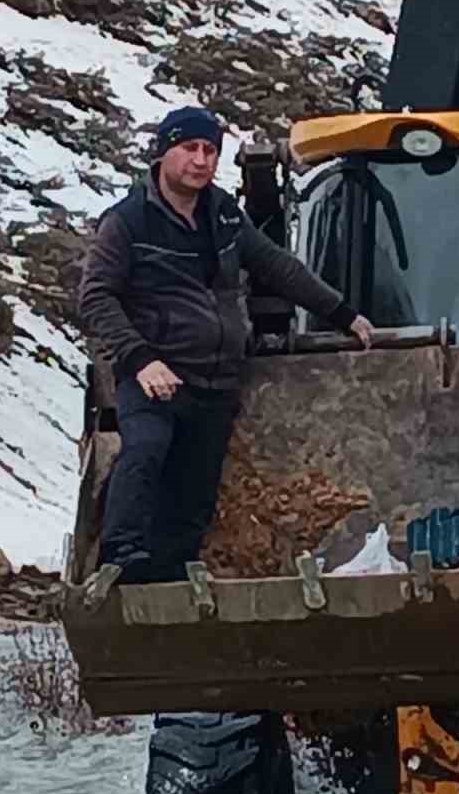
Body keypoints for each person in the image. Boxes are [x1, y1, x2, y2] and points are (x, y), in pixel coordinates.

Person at [79, 106, 374, 582]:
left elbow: (277, 266)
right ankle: (119, 561)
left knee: (195, 496)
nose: (200, 160)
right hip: (157, 377)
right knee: (145, 452)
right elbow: (95, 297)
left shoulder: (223, 214)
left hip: (215, 381)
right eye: (190, 149)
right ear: (163, 154)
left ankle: (171, 584)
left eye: (210, 150)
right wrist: (141, 360)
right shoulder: (129, 222)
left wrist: (342, 313)